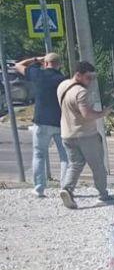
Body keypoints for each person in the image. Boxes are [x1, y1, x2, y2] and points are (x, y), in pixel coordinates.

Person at [58, 61, 114, 208]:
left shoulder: (62, 86)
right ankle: (103, 195)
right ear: (78, 75)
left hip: (66, 133)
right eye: (88, 77)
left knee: (75, 164)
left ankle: (67, 189)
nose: (90, 81)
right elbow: (86, 114)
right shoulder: (81, 92)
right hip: (86, 134)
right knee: (97, 165)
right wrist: (103, 113)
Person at [13, 52, 68, 198]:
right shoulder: (63, 80)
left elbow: (18, 65)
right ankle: (65, 188)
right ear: (59, 64)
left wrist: (37, 59)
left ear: (46, 63)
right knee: (65, 157)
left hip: (41, 122)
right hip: (59, 123)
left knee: (39, 155)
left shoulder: (38, 75)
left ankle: (39, 189)